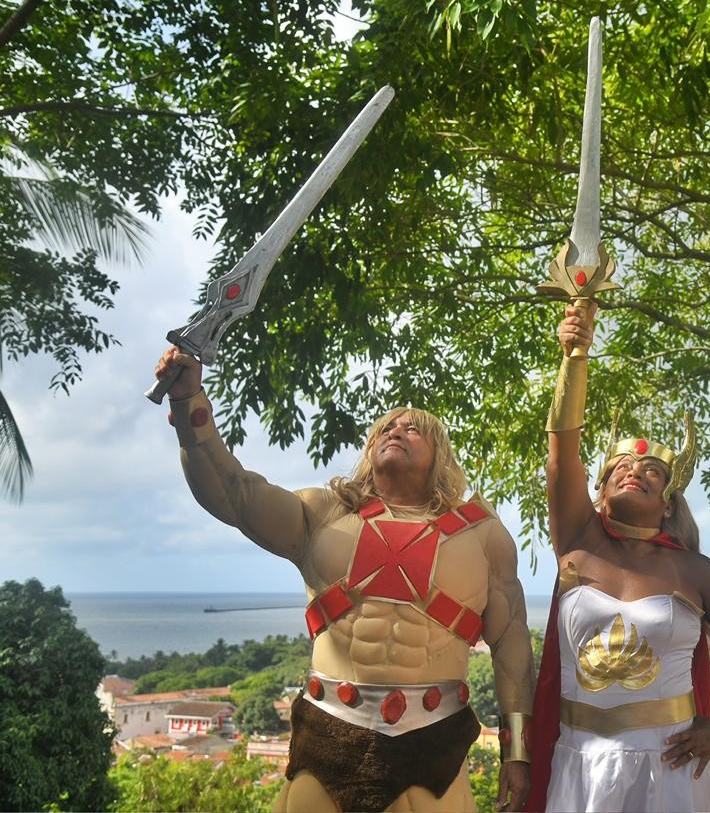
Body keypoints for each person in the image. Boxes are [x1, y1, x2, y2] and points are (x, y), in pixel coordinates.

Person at [154, 347, 533, 813]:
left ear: (440, 452)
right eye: (386, 428)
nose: (396, 431)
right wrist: (189, 403)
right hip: (326, 738)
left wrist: (518, 754)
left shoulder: (483, 534)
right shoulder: (322, 512)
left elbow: (513, 651)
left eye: (413, 428)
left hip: (435, 747)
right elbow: (232, 494)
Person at [525, 302, 710, 813]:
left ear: (668, 502)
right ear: (599, 491)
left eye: (652, 470)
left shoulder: (693, 571)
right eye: (622, 464)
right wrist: (575, 357)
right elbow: (561, 448)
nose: (636, 470)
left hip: (673, 770)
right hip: (580, 762)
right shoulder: (575, 543)